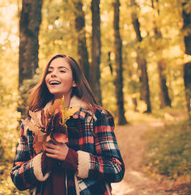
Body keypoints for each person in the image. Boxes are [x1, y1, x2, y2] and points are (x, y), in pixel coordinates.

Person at [11, 54, 124, 195]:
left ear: (74, 82)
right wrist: (44, 162)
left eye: (61, 70)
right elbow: (17, 178)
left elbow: (116, 169)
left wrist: (72, 158)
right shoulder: (31, 123)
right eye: (50, 71)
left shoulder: (95, 117)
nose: (53, 74)